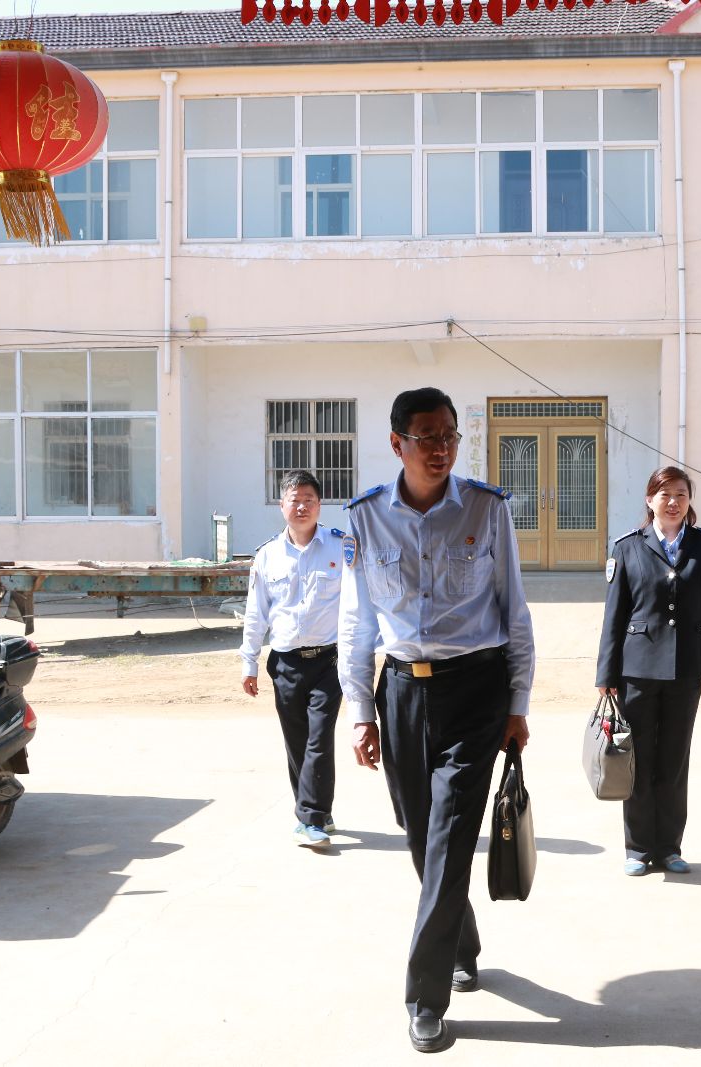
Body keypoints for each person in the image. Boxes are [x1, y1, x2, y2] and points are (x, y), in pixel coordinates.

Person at [338, 386, 535, 1055]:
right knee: (422, 837)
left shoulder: (486, 507)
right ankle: (462, 940)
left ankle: (425, 998)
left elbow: (514, 611)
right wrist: (361, 713)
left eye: (450, 435)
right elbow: (357, 624)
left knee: (449, 836)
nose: (442, 448)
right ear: (398, 443)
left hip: (475, 691)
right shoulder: (364, 518)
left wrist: (517, 704)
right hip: (401, 694)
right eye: (427, 437)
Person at [595, 465, 701, 877]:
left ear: (689, 501)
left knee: (674, 760)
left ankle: (669, 847)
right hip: (636, 670)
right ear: (650, 499)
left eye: (681, 495)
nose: (673, 502)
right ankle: (637, 848)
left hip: (686, 669)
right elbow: (614, 616)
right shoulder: (627, 547)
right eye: (665, 494)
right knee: (636, 759)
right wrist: (606, 675)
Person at [237, 470, 346, 848]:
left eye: (309, 500)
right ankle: (318, 810)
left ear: (320, 505)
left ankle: (310, 818)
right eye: (294, 500)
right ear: (281, 505)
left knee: (319, 738)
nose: (302, 507)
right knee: (298, 741)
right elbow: (256, 613)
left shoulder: (340, 548)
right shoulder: (267, 556)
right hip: (285, 664)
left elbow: (356, 606)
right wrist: (249, 662)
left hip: (329, 661)